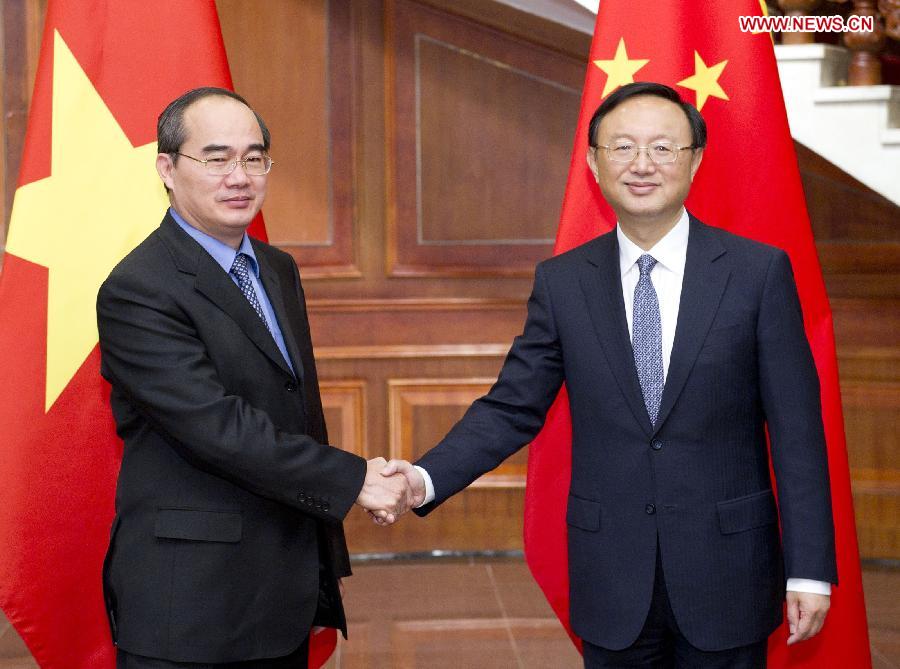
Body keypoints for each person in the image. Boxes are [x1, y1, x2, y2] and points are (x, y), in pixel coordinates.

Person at [380, 82, 837, 668]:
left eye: (663, 149)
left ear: (695, 159)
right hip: (612, 577)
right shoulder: (564, 281)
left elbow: (798, 433)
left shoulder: (757, 273)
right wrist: (422, 478)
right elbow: (512, 406)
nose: (641, 165)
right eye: (621, 147)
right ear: (594, 162)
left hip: (728, 572)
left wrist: (810, 570)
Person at [97, 87, 413, 668]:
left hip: (278, 591)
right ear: (167, 168)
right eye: (215, 158)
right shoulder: (138, 288)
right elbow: (217, 427)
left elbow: (294, 406)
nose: (238, 176)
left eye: (253, 157)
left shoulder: (274, 267)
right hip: (190, 602)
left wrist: (324, 548)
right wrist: (354, 479)